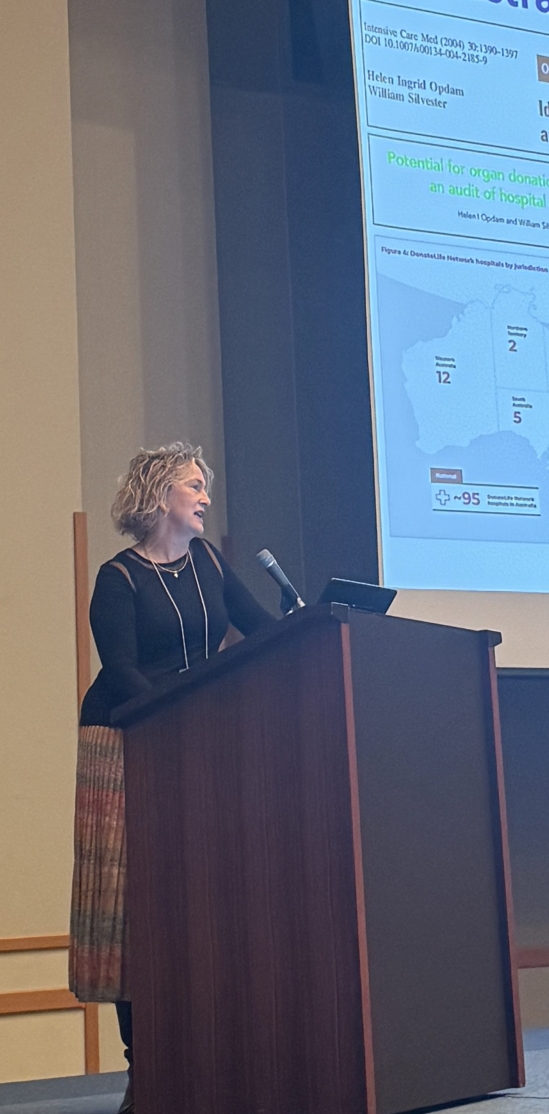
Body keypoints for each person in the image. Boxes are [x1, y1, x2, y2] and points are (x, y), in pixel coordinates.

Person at [69, 443, 275, 1114]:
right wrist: (181, 711)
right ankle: (146, 1068)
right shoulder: (118, 579)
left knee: (199, 901)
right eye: (194, 485)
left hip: (196, 741)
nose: (206, 497)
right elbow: (123, 670)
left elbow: (261, 630)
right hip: (126, 744)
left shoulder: (209, 561)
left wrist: (311, 630)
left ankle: (206, 1058)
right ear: (160, 494)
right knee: (134, 908)